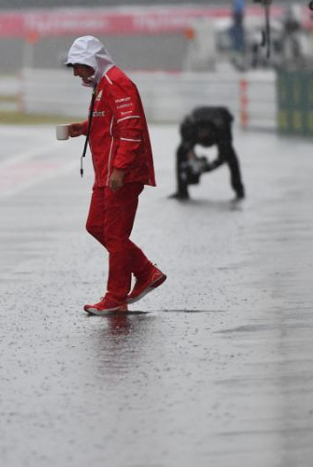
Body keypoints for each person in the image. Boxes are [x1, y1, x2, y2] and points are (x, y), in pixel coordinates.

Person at [64, 36, 166, 315]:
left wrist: (120, 169)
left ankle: (116, 297)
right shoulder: (101, 85)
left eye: (77, 66)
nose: (75, 72)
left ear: (91, 62)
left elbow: (131, 130)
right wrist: (83, 128)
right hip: (106, 173)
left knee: (115, 234)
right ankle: (146, 272)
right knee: (96, 226)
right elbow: (107, 120)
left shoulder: (116, 83)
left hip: (121, 173)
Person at [170, 106, 245, 201]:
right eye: (201, 132)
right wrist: (194, 164)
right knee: (181, 153)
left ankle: (239, 189)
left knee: (230, 156)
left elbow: (224, 155)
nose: (203, 134)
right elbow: (185, 152)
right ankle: (182, 191)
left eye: (205, 132)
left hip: (219, 125)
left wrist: (208, 167)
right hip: (196, 127)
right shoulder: (188, 128)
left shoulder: (222, 129)